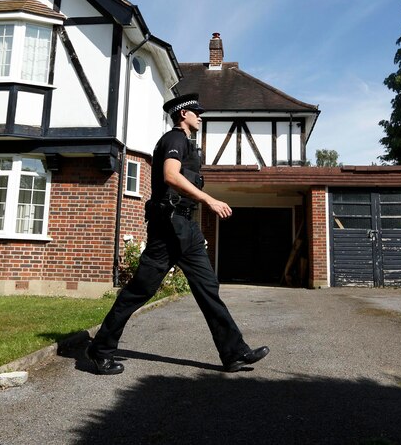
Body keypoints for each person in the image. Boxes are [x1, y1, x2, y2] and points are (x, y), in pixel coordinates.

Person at [86, 93, 269, 375]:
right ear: (184, 114)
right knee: (139, 291)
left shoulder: (187, 144)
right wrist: (209, 200)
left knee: (208, 289)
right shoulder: (174, 139)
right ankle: (100, 350)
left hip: (186, 228)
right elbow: (171, 175)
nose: (200, 116)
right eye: (197, 112)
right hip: (168, 227)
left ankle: (234, 353)